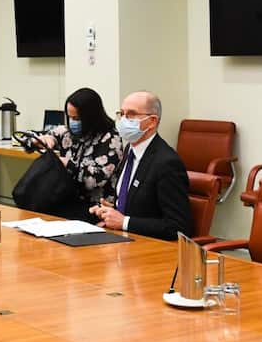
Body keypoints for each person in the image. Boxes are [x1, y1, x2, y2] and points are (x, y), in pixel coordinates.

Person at [88, 91, 191, 241]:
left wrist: (124, 222)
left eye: (131, 114)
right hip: (123, 240)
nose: (123, 120)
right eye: (121, 114)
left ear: (152, 121)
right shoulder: (130, 150)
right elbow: (139, 207)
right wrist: (111, 211)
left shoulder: (167, 162)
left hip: (151, 249)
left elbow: (178, 226)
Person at [37, 88, 123, 218]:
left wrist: (68, 164)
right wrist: (43, 139)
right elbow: (35, 139)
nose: (73, 122)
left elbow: (96, 179)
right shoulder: (67, 132)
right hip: (67, 200)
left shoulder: (110, 138)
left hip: (96, 207)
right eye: (70, 117)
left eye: (77, 118)